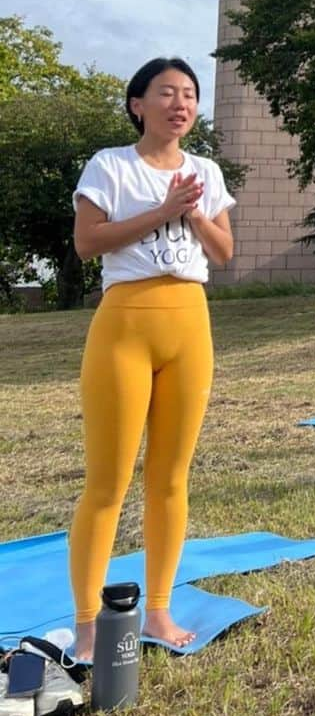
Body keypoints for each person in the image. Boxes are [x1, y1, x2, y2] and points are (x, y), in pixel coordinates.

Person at [69, 58, 235, 659]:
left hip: (190, 324)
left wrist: (189, 210)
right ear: (138, 103)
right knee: (108, 482)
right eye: (166, 92)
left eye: (190, 94)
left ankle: (159, 611)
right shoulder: (110, 165)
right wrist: (160, 213)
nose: (180, 102)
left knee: (170, 479)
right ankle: (88, 623)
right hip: (125, 327)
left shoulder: (206, 171)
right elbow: (88, 243)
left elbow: (223, 252)